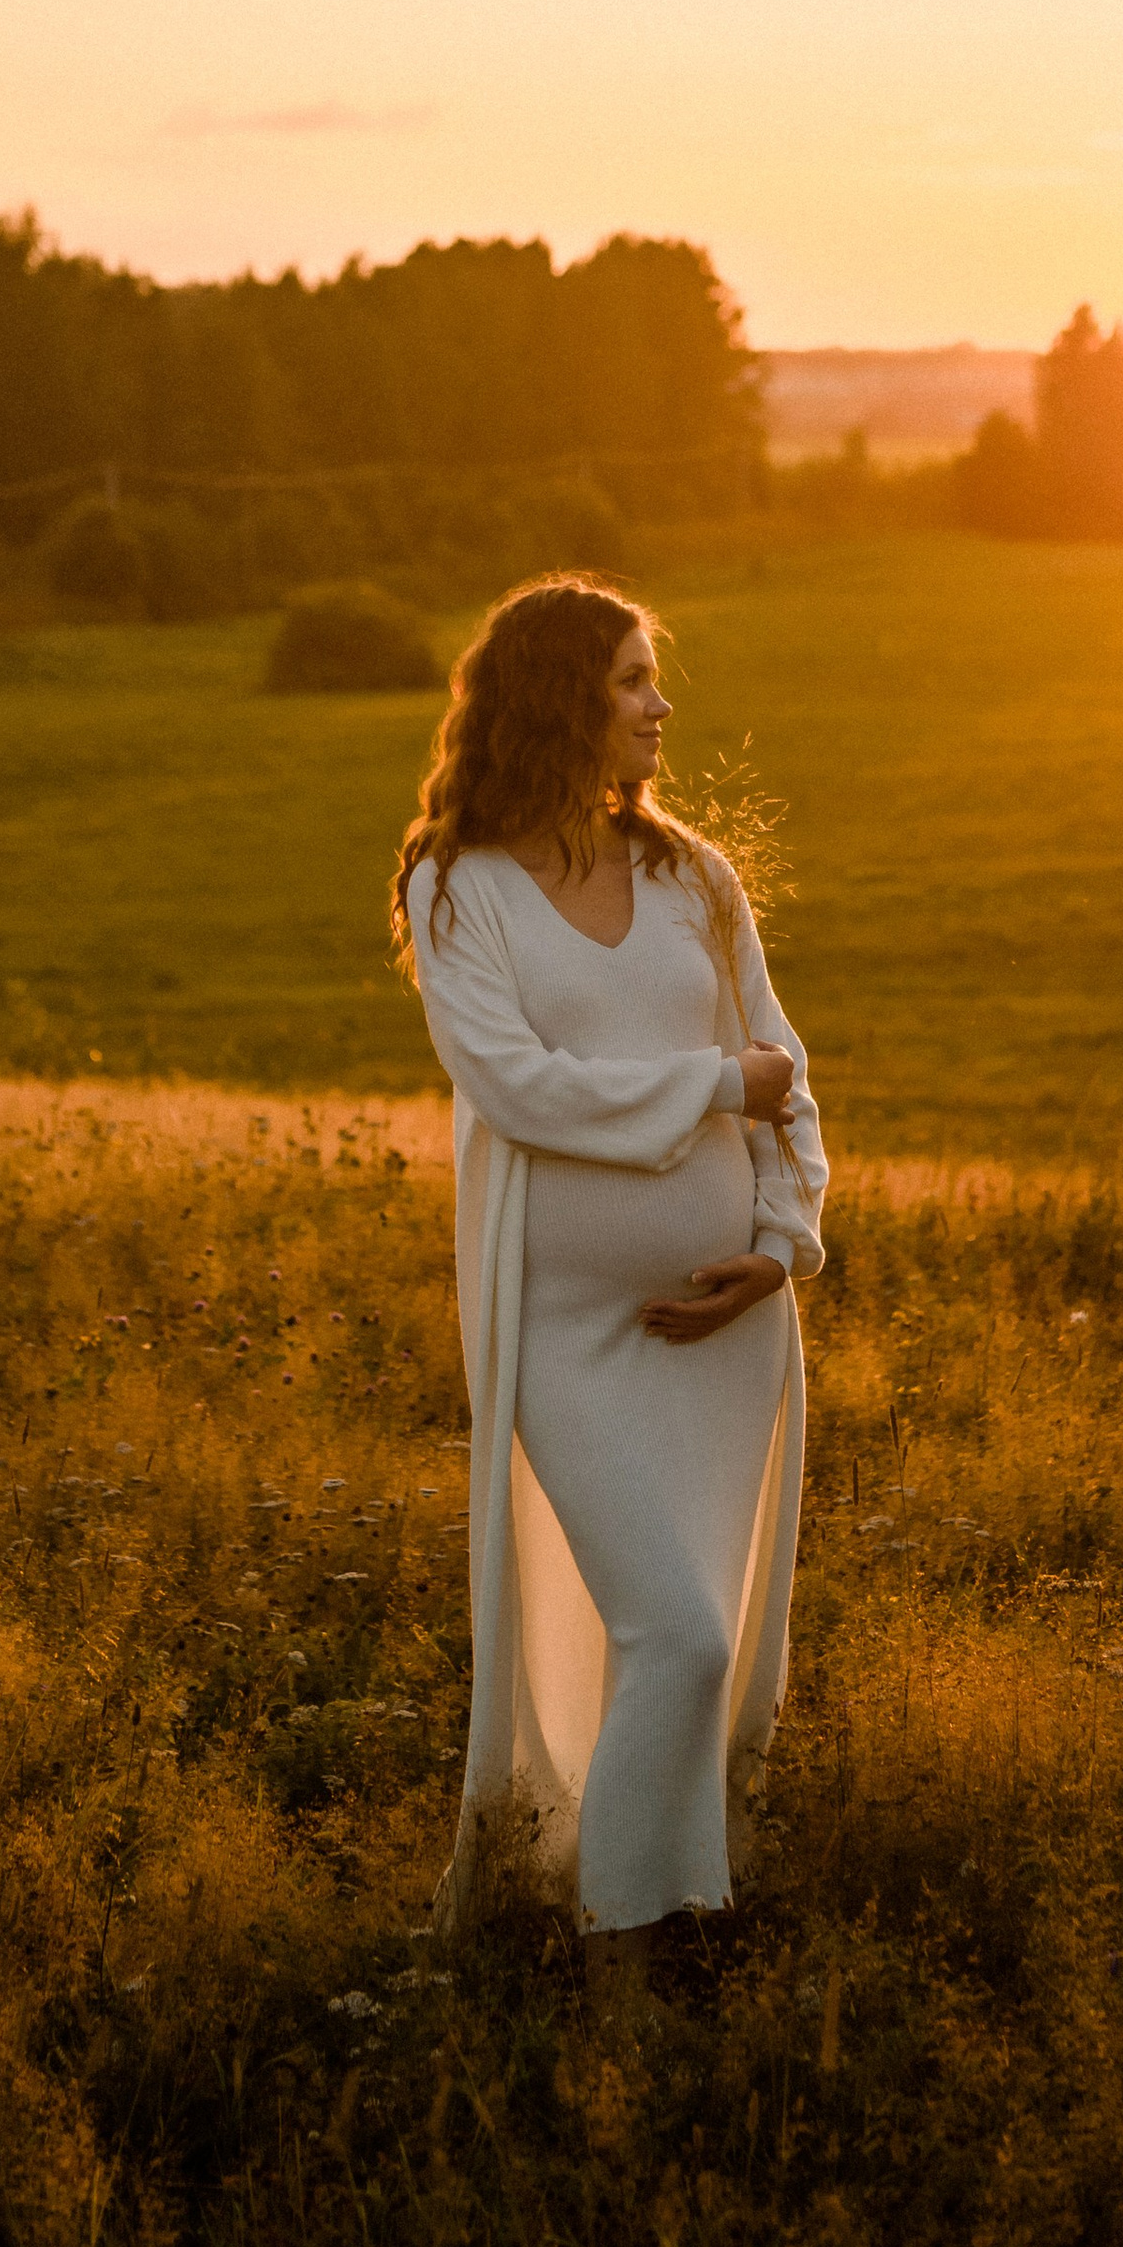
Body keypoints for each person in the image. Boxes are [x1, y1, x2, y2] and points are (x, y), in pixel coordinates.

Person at [393, 575, 827, 1961]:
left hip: (728, 1331)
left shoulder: (695, 876)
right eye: (634, 678)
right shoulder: (457, 885)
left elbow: (789, 1072)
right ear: (559, 697)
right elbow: (522, 1087)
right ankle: (623, 1967)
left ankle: (680, 1912)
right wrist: (712, 1086)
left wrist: (779, 1244)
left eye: (656, 677)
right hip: (566, 1326)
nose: (660, 704)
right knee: (678, 1630)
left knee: (705, 1654)